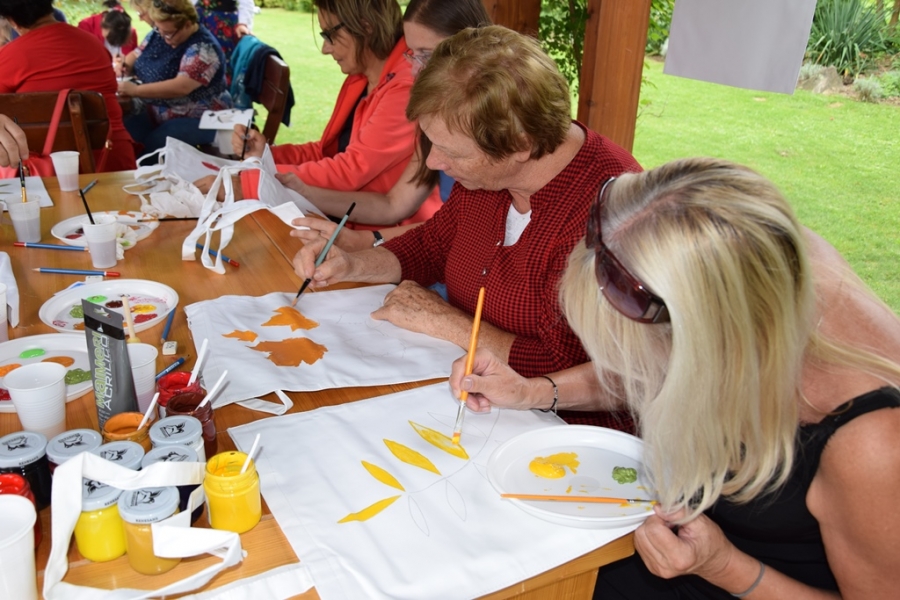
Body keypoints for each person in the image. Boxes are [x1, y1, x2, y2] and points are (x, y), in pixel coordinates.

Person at [449, 158, 900, 598]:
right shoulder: (753, 262)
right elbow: (654, 366)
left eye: (639, 344)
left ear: (705, 330)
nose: (637, 363)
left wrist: (725, 567)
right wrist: (532, 391)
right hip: (675, 542)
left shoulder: (870, 442)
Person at [294, 27, 641, 395]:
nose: (434, 162)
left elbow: (571, 366)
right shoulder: (489, 173)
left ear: (519, 145)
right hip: (465, 388)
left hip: (553, 424)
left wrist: (447, 322)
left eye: (452, 152)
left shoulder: (609, 215)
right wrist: (352, 264)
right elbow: (433, 245)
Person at [282, 0, 491, 240]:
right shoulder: (440, 114)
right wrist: (304, 193)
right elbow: (393, 205)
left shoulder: (496, 126)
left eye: (426, 54)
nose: (414, 71)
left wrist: (363, 243)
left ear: (472, 46)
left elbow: (455, 233)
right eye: (412, 54)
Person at [233, 0, 443, 229]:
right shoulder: (362, 77)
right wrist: (267, 155)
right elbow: (327, 151)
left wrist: (253, 179)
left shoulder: (406, 85)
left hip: (385, 234)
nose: (325, 49)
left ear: (365, 26)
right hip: (346, 222)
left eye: (329, 35)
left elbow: (350, 172)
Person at [0, 0, 137, 172]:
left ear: (12, 21)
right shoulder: (94, 44)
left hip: (51, 172)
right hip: (113, 160)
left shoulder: (9, 56)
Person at [118, 0, 232, 159]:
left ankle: (146, 171)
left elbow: (180, 87)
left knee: (152, 147)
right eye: (159, 30)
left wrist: (135, 90)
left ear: (187, 24)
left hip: (204, 118)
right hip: (158, 109)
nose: (164, 37)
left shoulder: (203, 49)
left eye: (168, 33)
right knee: (126, 133)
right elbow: (138, 53)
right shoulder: (162, 32)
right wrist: (125, 65)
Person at [190, 0, 255, 64]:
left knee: (224, 60)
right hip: (198, 19)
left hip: (224, 21)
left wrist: (243, 23)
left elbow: (246, 2)